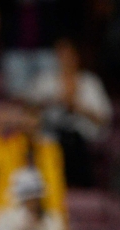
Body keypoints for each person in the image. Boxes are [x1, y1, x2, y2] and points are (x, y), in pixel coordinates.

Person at [0, 101, 67, 226]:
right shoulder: (6, 144)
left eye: (34, 117)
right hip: (7, 211)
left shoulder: (50, 148)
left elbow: (56, 185)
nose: (31, 123)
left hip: (43, 213)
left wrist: (60, 216)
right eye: (27, 118)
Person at [28, 38, 112, 187]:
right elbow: (30, 110)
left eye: (69, 55)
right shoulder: (45, 81)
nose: (65, 60)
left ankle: (81, 187)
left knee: (74, 143)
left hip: (83, 138)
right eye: (61, 55)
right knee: (54, 143)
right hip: (52, 135)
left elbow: (104, 118)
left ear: (76, 57)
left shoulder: (91, 82)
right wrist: (53, 102)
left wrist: (78, 108)